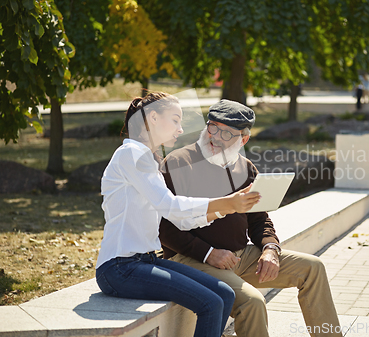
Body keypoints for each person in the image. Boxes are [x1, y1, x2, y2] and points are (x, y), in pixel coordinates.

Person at [159, 99, 343, 337]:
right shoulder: (177, 162)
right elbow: (163, 226)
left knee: (313, 268)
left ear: (243, 139)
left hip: (239, 258)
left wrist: (270, 249)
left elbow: (259, 220)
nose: (215, 137)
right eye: (212, 127)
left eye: (226, 133)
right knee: (253, 302)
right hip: (193, 259)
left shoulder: (246, 168)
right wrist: (209, 253)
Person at [96, 93, 261, 337]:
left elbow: (180, 218)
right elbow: (171, 206)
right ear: (153, 118)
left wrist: (229, 207)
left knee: (225, 293)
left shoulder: (147, 160)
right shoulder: (131, 155)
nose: (181, 129)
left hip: (145, 261)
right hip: (119, 268)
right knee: (212, 303)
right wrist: (226, 203)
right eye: (175, 120)